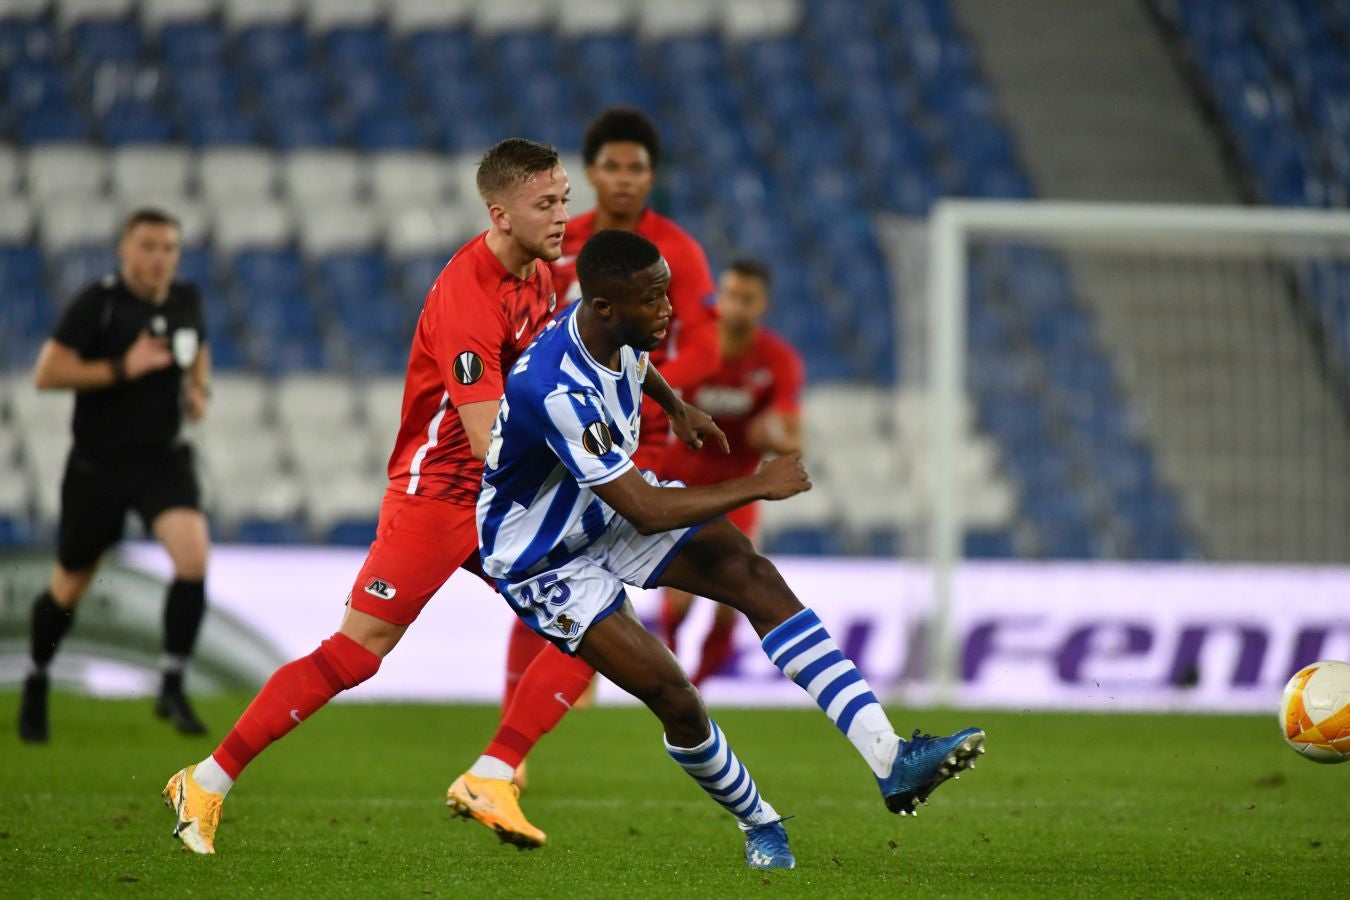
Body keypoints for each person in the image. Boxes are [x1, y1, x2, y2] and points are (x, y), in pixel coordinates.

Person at [448, 229, 985, 869]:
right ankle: (760, 823)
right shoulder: (555, 391)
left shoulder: (607, 327)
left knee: (751, 575)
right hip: (543, 558)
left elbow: (634, 365)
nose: (669, 311)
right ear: (605, 307)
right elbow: (645, 511)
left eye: (667, 293)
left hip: (596, 507)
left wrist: (676, 406)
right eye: (653, 301)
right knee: (675, 696)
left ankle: (890, 757)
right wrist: (757, 484)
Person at [161, 137, 569, 855]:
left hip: (496, 497)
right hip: (439, 495)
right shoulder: (467, 297)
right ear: (499, 213)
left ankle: (495, 773)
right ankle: (206, 779)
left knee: (593, 618)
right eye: (546, 204)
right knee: (358, 652)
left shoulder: (542, 277)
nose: (563, 216)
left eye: (564, 200)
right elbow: (485, 443)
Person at [495, 106, 723, 786]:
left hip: (645, 439)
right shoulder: (558, 241)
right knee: (545, 572)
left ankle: (512, 749)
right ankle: (513, 744)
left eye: (637, 168)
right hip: (563, 432)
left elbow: (704, 341)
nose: (624, 179)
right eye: (612, 166)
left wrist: (658, 391)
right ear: (591, 173)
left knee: (586, 581)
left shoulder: (676, 251)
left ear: (652, 177)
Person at [19, 207, 212, 743]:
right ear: (125, 251)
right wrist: (122, 369)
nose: (159, 258)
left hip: (161, 458)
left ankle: (171, 683)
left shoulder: (186, 299)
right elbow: (48, 372)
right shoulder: (98, 303)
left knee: (193, 558)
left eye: (169, 247)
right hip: (98, 464)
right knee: (70, 583)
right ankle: (36, 680)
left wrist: (199, 390)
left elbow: (199, 350)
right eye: (148, 246)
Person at [658, 258, 804, 685]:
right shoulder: (692, 347)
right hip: (680, 484)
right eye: (730, 296)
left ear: (763, 305)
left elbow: (795, 438)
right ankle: (666, 671)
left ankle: (696, 687)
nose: (736, 306)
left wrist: (771, 435)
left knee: (733, 601)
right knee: (681, 600)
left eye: (747, 299)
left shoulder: (778, 360)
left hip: (738, 491)